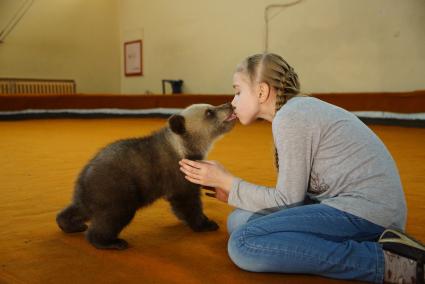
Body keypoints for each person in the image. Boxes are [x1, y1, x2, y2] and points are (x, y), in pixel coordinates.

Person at [179, 53, 425, 283]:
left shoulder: (291, 117)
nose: (233, 102)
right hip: (349, 206)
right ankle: (371, 240)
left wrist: (228, 182)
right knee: (238, 221)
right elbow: (293, 197)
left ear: (262, 91)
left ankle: (387, 262)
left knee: (244, 243)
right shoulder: (293, 112)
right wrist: (234, 193)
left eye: (238, 92)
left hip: (368, 211)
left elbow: (288, 200)